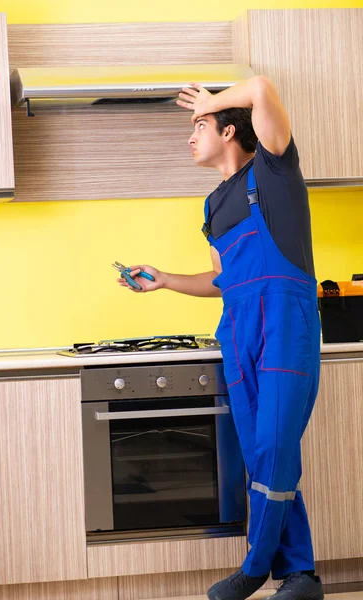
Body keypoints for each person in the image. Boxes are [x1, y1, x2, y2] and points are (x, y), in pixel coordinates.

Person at [116, 76, 324, 600]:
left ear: (229, 130)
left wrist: (212, 98)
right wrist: (164, 279)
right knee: (261, 453)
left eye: (200, 126)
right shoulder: (212, 207)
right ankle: (301, 577)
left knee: (276, 444)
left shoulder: (275, 168)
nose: (190, 136)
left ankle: (255, 567)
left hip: (284, 324)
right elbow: (223, 279)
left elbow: (262, 89)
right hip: (238, 330)